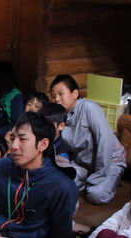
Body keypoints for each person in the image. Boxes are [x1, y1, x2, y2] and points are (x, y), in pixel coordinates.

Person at [50, 74, 126, 205]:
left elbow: (105, 140)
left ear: (75, 93)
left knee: (96, 195)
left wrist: (100, 175)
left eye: (61, 94)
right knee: (60, 185)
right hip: (83, 163)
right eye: (53, 96)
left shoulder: (89, 108)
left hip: (110, 160)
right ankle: (89, 182)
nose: (57, 99)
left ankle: (110, 180)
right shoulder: (61, 117)